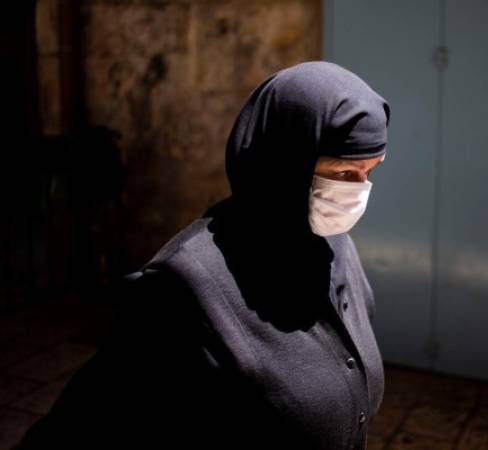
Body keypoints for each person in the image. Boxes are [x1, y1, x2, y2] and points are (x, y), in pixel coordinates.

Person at [15, 60, 391, 450]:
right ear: (285, 163)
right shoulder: (182, 290)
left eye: (371, 171)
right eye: (345, 173)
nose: (359, 192)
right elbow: (83, 425)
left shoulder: (334, 245)